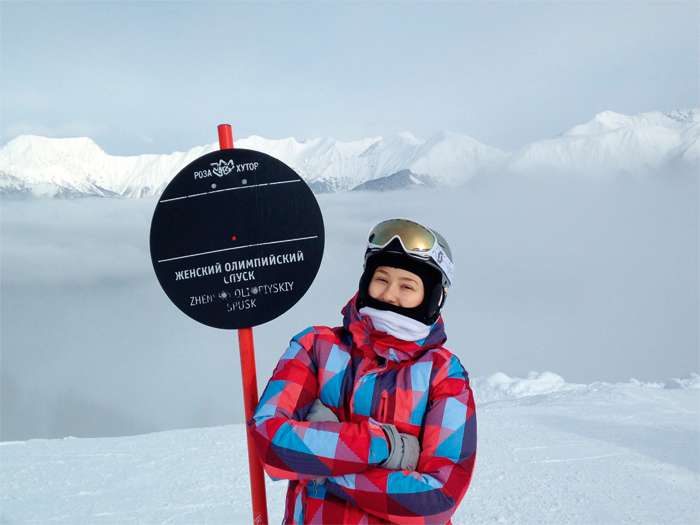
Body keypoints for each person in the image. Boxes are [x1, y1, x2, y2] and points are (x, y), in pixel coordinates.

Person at [251, 218, 477, 524]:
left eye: (407, 286)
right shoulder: (315, 347)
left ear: (434, 297)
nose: (390, 294)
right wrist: (385, 446)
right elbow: (270, 443)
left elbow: (436, 500)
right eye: (381, 279)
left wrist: (320, 465)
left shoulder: (443, 374)